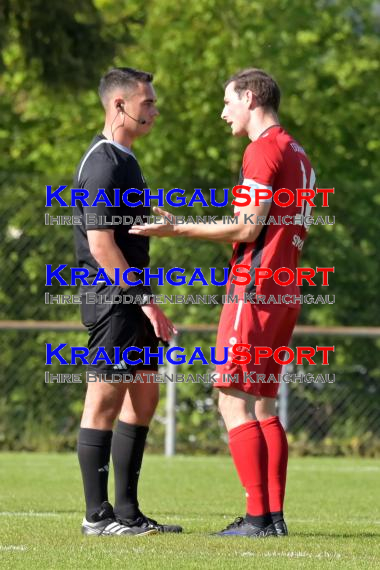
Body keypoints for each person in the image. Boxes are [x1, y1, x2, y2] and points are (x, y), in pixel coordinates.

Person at [130, 68, 315, 538]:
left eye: (228, 101)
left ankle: (257, 518)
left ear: (250, 98)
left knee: (231, 400)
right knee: (265, 405)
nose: (223, 112)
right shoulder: (298, 152)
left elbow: (246, 228)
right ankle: (272, 518)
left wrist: (177, 229)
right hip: (285, 288)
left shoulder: (262, 149)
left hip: (253, 289)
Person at [72, 67, 182, 536]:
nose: (154, 111)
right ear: (119, 105)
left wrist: (158, 219)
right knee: (104, 400)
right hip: (114, 299)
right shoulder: (103, 163)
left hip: (131, 297)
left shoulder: (125, 160)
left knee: (144, 394)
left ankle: (129, 513)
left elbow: (122, 229)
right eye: (148, 103)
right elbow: (101, 247)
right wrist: (147, 305)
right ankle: (97, 517)